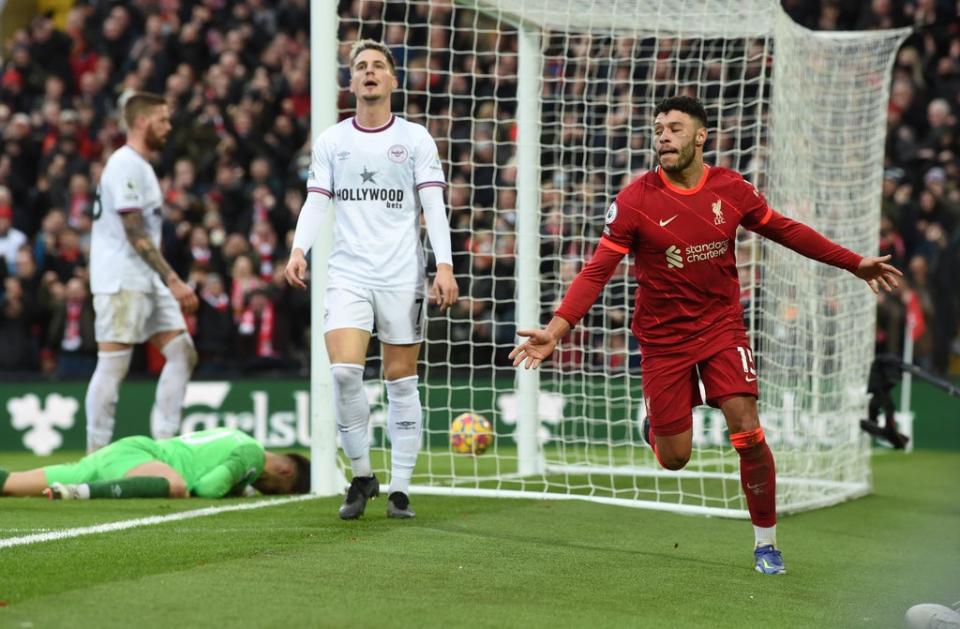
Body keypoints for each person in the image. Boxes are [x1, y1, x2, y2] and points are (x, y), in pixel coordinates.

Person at [509, 95, 903, 575]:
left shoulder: (731, 189)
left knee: (747, 428)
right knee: (675, 459)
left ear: (700, 136)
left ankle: (766, 544)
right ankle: (656, 429)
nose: (663, 138)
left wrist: (854, 263)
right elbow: (597, 271)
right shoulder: (635, 201)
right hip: (662, 339)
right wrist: (556, 330)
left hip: (721, 327)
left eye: (674, 128)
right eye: (658, 130)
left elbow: (787, 230)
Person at [284, 40, 458, 520]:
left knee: (401, 382)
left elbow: (434, 208)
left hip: (403, 275)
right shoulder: (333, 141)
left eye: (378, 66)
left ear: (393, 80)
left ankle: (400, 488)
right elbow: (317, 201)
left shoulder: (417, 139)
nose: (369, 72)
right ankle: (362, 475)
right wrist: (300, 249)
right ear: (351, 81)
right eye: (360, 66)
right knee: (343, 374)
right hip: (348, 274)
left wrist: (444, 265)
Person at [85, 91, 199, 453]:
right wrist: (174, 279)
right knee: (114, 364)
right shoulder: (125, 165)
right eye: (162, 119)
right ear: (141, 122)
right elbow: (135, 233)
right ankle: (95, 453)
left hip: (145, 278)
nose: (168, 126)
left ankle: (164, 445)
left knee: (183, 352)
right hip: (121, 278)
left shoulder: (143, 166)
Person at [0, 427, 311, 499]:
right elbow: (208, 488)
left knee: (11, 484)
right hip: (142, 459)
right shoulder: (252, 455)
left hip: (128, 454)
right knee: (176, 486)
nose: (267, 492)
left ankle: (76, 487)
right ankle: (78, 491)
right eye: (277, 491)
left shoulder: (240, 437)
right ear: (284, 470)